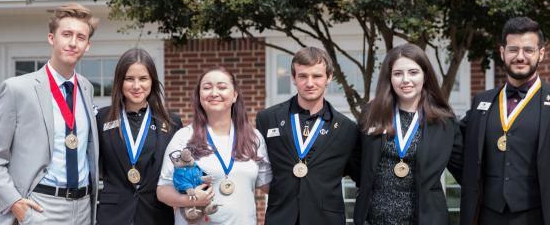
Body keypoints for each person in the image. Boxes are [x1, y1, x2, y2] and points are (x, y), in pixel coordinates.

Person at [0, 3, 100, 224]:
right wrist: (14, 202)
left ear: (87, 45)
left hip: (83, 207)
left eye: (80, 37)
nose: (73, 42)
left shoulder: (86, 88)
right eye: (67, 34)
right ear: (52, 38)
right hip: (40, 205)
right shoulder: (17, 89)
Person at [455, 17, 550, 225]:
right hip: (487, 215)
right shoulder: (482, 101)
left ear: (541, 53)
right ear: (502, 53)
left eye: (528, 50)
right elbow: (456, 146)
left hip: (542, 216)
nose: (520, 57)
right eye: (513, 49)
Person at [355, 43, 463, 225]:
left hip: (425, 220)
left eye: (413, 72)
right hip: (373, 219)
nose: (405, 80)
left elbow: (465, 171)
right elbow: (356, 161)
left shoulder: (445, 122)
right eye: (398, 74)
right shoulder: (372, 113)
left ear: (425, 75)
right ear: (389, 78)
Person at [255, 47, 360, 225]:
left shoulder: (346, 129)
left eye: (317, 76)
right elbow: (259, 169)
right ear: (293, 78)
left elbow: (361, 176)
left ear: (329, 77)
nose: (310, 83)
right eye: (303, 76)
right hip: (280, 218)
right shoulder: (267, 119)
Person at [157, 67, 272, 225]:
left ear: (234, 96)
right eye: (207, 87)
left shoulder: (253, 137)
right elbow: (163, 190)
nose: (214, 93)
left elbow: (268, 185)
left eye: (222, 87)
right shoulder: (183, 137)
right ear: (199, 96)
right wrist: (188, 199)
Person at [95, 48, 181, 224]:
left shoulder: (171, 122)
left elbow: (180, 173)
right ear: (119, 82)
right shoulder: (101, 119)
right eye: (129, 79)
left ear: (152, 82)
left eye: (143, 79)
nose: (136, 86)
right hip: (112, 216)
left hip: (156, 215)